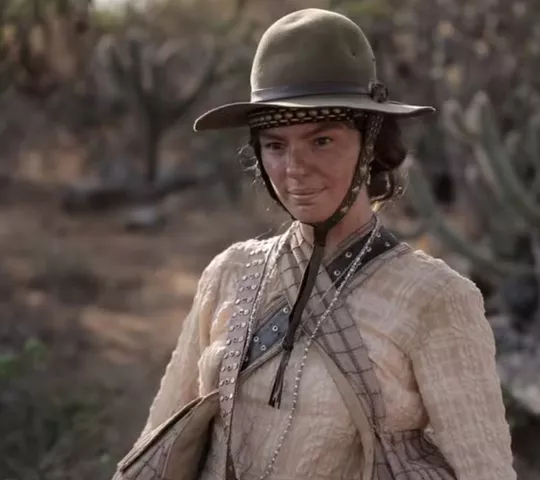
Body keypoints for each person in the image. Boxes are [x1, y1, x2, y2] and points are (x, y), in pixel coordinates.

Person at [128, 8, 517, 480]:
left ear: (370, 144)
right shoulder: (230, 273)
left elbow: (484, 470)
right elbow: (159, 443)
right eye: (276, 145)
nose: (295, 167)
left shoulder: (433, 298)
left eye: (322, 141)